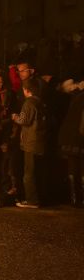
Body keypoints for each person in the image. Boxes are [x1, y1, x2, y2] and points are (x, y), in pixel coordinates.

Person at [11, 77, 47, 209]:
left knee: (29, 172)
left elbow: (24, 120)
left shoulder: (29, 103)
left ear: (26, 90)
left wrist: (15, 117)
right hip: (40, 140)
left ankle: (32, 200)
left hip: (30, 142)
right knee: (38, 171)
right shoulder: (40, 102)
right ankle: (40, 197)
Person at [58, 79, 84, 207]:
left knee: (73, 167)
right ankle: (80, 198)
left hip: (69, 136)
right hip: (80, 137)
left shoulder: (73, 97)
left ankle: (75, 198)